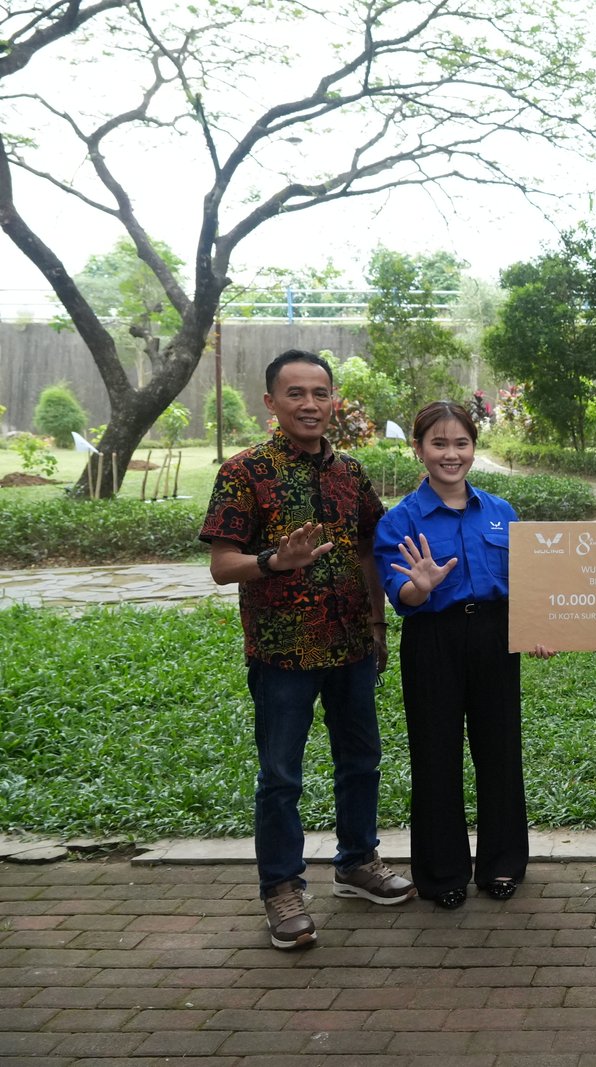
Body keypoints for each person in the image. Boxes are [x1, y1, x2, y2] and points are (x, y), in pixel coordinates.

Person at [201, 349, 415, 951]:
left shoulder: (350, 473)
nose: (309, 405)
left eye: (320, 393)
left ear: (333, 401)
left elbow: (372, 550)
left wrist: (377, 623)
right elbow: (222, 567)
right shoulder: (244, 472)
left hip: (351, 644)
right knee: (281, 777)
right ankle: (281, 888)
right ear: (271, 402)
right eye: (295, 394)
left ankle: (356, 863)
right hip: (282, 653)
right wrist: (275, 560)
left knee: (361, 762)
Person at [373, 402, 554, 909]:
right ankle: (442, 873)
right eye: (438, 443)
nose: (451, 455)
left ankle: (502, 865)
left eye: (461, 444)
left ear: (474, 448)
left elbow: (528, 585)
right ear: (418, 449)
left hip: (496, 635)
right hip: (434, 637)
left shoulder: (501, 512)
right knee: (436, 753)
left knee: (499, 750)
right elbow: (399, 594)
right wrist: (420, 588)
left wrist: (539, 627)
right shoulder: (400, 520)